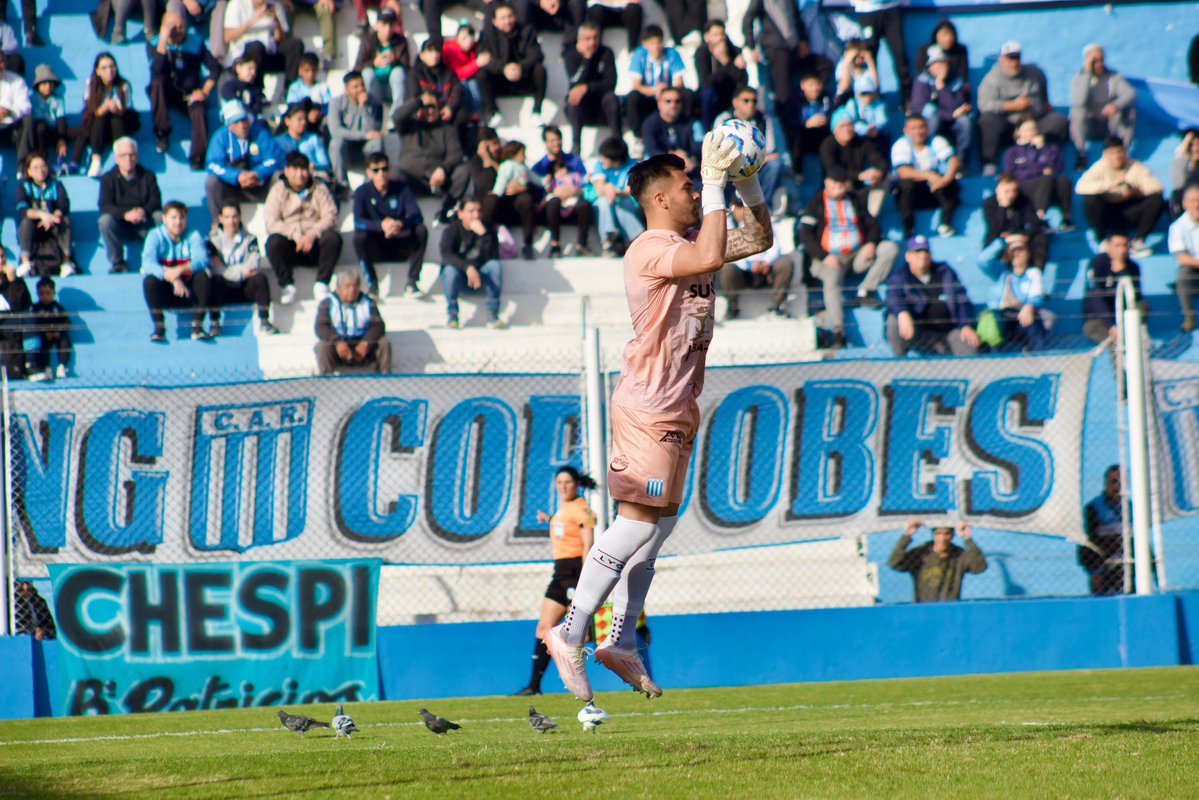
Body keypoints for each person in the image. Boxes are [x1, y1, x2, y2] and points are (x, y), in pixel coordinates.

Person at [542, 131, 774, 702]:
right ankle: (568, 633)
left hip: (679, 403)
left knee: (660, 527)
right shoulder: (650, 249)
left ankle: (619, 639)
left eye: (700, 184)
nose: (696, 191)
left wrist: (747, 183)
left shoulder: (696, 238)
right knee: (639, 523)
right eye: (688, 185)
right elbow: (710, 256)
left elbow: (760, 237)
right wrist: (721, 184)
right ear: (661, 200)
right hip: (647, 404)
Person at [514, 466, 598, 696]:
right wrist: (549, 519)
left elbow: (587, 545)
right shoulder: (565, 509)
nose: (563, 486)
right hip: (559, 574)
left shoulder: (584, 510)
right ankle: (534, 685)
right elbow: (565, 527)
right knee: (543, 628)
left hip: (574, 572)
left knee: (578, 633)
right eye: (559, 482)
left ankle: (580, 681)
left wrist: (585, 578)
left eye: (567, 482)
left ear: (576, 484)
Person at [799, 168, 898, 345]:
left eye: (842, 184)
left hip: (857, 255)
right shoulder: (816, 204)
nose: (839, 188)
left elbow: (873, 225)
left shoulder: (855, 200)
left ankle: (865, 290)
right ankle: (839, 331)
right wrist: (823, 256)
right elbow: (805, 235)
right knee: (832, 279)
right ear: (827, 184)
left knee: (889, 248)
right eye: (835, 184)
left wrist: (871, 243)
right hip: (829, 259)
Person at [977, 41, 1068, 177]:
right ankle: (990, 163)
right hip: (1010, 127)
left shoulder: (1035, 73)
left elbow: (1045, 99)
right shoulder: (992, 79)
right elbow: (984, 105)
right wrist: (1012, 105)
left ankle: (1048, 157)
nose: (1013, 63)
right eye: (1009, 59)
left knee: (1059, 121)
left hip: (1035, 124)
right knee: (988, 120)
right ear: (1002, 59)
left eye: (1016, 58)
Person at [265, 152, 342, 305]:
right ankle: (287, 285)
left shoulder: (319, 188)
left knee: (333, 239)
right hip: (291, 243)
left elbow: (331, 216)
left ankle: (322, 283)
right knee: (273, 242)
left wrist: (312, 234)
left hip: (314, 243)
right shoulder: (278, 190)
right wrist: (295, 235)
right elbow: (271, 222)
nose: (299, 174)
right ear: (286, 171)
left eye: (303, 169)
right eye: (295, 169)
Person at [885, 235, 979, 357]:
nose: (923, 255)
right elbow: (893, 297)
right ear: (908, 257)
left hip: (949, 332)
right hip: (920, 334)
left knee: (967, 342)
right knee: (894, 320)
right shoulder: (901, 276)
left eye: (926, 251)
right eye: (917, 251)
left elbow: (962, 300)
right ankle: (899, 364)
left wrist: (965, 324)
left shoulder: (945, 272)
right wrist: (902, 312)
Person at [149, 12, 220, 171]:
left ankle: (198, 156)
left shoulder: (195, 43)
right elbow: (157, 70)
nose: (179, 30)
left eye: (182, 26)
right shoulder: (155, 44)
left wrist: (205, 91)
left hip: (189, 94)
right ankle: (162, 132)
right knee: (157, 83)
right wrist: (164, 40)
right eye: (174, 27)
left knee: (199, 108)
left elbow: (215, 68)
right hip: (166, 93)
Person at [354, 152, 428, 295]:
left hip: (399, 241)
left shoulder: (402, 189)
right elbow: (358, 221)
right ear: (369, 173)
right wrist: (381, 225)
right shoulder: (362, 192)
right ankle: (372, 284)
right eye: (376, 170)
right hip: (377, 244)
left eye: (384, 169)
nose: (381, 174)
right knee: (359, 238)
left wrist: (400, 224)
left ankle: (412, 282)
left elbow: (416, 216)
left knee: (421, 230)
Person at [1075, 139, 1164, 256]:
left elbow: (1157, 187)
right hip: (1107, 212)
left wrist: (1136, 191)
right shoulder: (1099, 167)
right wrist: (1110, 186)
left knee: (1156, 200)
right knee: (1090, 200)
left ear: (1125, 152)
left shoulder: (1136, 166)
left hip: (1129, 210)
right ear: (1106, 155)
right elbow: (1080, 187)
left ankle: (1138, 242)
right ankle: (1102, 241)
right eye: (1112, 153)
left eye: (1119, 152)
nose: (1116, 156)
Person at [141, 201, 212, 343]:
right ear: (164, 219)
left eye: (182, 218)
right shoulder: (155, 236)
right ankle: (159, 329)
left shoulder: (193, 235)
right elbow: (147, 263)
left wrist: (180, 270)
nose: (178, 222)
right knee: (150, 281)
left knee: (203, 277)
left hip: (189, 290)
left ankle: (197, 327)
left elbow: (202, 259)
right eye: (173, 218)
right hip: (166, 289)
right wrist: (173, 278)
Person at [715, 85, 791, 214]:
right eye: (746, 100)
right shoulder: (725, 120)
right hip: (731, 165)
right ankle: (730, 205)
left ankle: (761, 207)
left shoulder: (764, 120)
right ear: (735, 102)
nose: (750, 104)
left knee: (775, 164)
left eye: (754, 101)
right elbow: (717, 149)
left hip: (757, 166)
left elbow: (769, 149)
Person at [206, 201, 277, 337]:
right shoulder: (212, 241)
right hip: (225, 287)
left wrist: (230, 270)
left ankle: (264, 321)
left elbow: (254, 262)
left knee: (260, 278)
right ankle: (215, 323)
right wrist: (240, 272)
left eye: (234, 217)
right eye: (227, 217)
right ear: (220, 218)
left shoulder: (250, 239)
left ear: (239, 217)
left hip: (245, 287)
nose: (231, 221)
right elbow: (216, 268)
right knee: (214, 280)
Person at [204, 99, 283, 219]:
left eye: (244, 120)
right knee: (212, 182)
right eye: (237, 122)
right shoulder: (220, 138)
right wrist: (237, 176)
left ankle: (281, 217)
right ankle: (218, 222)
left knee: (279, 177)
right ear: (229, 126)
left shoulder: (260, 133)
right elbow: (213, 165)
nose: (243, 125)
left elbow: (274, 159)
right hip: (233, 189)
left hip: (259, 184)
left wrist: (257, 174)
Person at [396, 89, 468, 217]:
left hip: (438, 181)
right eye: (426, 107)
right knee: (395, 175)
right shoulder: (408, 126)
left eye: (432, 107)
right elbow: (397, 116)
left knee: (463, 171)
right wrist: (419, 101)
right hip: (412, 179)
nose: (430, 111)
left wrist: (443, 169)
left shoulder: (447, 129)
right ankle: (402, 213)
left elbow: (456, 154)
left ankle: (447, 210)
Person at [98, 137, 163, 275]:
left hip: (144, 223)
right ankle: (118, 263)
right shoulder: (108, 178)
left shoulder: (148, 176)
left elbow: (156, 201)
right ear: (116, 158)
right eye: (124, 155)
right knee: (104, 221)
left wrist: (143, 211)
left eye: (132, 155)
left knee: (160, 216)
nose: (128, 158)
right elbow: (105, 205)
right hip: (120, 225)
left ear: (137, 156)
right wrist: (125, 214)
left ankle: (155, 260)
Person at [742, 0, 823, 109]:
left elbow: (796, 18)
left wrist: (802, 40)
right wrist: (751, 46)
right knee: (783, 91)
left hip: (794, 47)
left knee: (824, 65)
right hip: (776, 48)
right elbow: (747, 20)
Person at [439, 197, 505, 329]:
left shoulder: (487, 229)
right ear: (461, 213)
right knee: (449, 271)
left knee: (495, 266)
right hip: (460, 276)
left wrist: (484, 235)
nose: (476, 215)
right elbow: (446, 255)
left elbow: (493, 256)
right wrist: (467, 268)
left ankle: (493, 315)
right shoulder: (452, 230)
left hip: (480, 276)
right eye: (471, 211)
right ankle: (453, 316)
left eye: (478, 211)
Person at [73, 52, 140, 179]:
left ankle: (120, 158)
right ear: (97, 71)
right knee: (100, 119)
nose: (109, 71)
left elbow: (129, 110)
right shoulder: (91, 85)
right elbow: (90, 111)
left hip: (120, 125)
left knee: (116, 120)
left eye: (112, 66)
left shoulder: (123, 85)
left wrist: (119, 110)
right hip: (97, 128)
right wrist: (104, 108)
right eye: (104, 68)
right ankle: (96, 160)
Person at [891, 114, 960, 238]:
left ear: (927, 128)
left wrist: (946, 178)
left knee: (952, 183)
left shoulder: (937, 141)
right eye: (913, 128)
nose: (918, 132)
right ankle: (908, 226)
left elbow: (953, 160)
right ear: (906, 131)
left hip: (934, 190)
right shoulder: (901, 145)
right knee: (906, 184)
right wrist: (929, 175)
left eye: (921, 127)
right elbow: (903, 171)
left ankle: (945, 224)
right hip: (913, 194)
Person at [721, 201, 793, 319]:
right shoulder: (728, 223)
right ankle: (732, 307)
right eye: (739, 207)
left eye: (745, 207)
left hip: (765, 270)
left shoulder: (763, 220)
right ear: (733, 207)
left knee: (786, 264)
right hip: (742, 273)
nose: (743, 211)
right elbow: (728, 251)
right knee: (727, 269)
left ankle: (777, 306)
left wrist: (765, 262)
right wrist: (749, 265)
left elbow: (775, 247)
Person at [479, 2, 547, 126]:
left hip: (523, 78)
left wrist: (519, 67)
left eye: (510, 16)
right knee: (482, 74)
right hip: (500, 80)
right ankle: (493, 112)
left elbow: (537, 55)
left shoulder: (527, 31)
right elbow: (484, 60)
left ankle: (537, 112)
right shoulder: (487, 35)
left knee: (540, 70)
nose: (507, 21)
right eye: (502, 18)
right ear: (494, 21)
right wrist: (503, 69)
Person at [315, 264, 392, 374]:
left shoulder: (368, 302)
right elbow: (321, 327)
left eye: (355, 286)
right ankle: (326, 378)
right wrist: (337, 342)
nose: (352, 290)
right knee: (323, 347)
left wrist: (366, 342)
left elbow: (379, 325)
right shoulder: (327, 303)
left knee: (384, 343)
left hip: (363, 345)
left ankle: (386, 378)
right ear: (339, 288)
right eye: (348, 286)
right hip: (339, 345)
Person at [888, 519, 987, 603]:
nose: (942, 538)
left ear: (952, 535)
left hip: (950, 608)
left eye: (946, 534)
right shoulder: (921, 554)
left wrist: (968, 538)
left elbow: (980, 567)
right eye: (938, 533)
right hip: (923, 607)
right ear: (933, 535)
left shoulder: (959, 555)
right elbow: (894, 562)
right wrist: (907, 536)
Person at [1003, 116, 1075, 232]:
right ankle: (1039, 218)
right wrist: (1039, 171)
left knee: (1063, 181)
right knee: (1045, 179)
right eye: (1027, 130)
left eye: (1033, 129)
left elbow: (1056, 167)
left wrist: (1042, 149)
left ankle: (1066, 218)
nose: (1030, 133)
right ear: (1018, 132)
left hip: (1048, 185)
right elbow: (1012, 174)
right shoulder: (1012, 152)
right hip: (1025, 187)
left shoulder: (1050, 148)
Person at [1070, 44, 1136, 166]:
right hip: (1091, 124)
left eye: (1101, 60)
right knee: (1077, 111)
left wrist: (1115, 105)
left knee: (1128, 109)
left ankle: (1123, 149)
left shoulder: (1113, 77)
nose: (1099, 64)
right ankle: (1081, 153)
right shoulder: (1080, 77)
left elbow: (1130, 93)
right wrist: (1087, 73)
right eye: (1095, 61)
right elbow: (1079, 101)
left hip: (1110, 124)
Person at [979, 239, 1048, 351]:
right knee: (995, 324)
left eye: (1020, 249)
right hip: (1001, 314)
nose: (1016, 253)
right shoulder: (1002, 272)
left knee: (1033, 324)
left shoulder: (1033, 273)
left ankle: (1037, 360)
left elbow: (1037, 296)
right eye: (1012, 250)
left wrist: (1029, 306)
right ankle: (995, 362)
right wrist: (1002, 242)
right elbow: (982, 260)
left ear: (1028, 253)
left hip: (1022, 315)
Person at [563, 22, 620, 156]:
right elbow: (574, 84)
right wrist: (586, 60)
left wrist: (587, 87)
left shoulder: (606, 53)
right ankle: (576, 145)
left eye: (595, 38)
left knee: (611, 97)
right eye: (588, 39)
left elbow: (611, 83)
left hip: (602, 105)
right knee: (574, 100)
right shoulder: (571, 55)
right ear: (580, 39)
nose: (592, 42)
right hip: (582, 108)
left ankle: (618, 142)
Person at [910, 45, 972, 166]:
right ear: (930, 67)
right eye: (936, 64)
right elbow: (923, 109)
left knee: (965, 122)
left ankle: (960, 163)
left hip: (952, 121)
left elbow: (959, 105)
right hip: (931, 121)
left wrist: (943, 87)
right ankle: (932, 161)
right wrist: (951, 114)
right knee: (934, 120)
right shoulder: (921, 81)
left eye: (943, 63)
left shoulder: (955, 81)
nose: (940, 66)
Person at [222, 0, 305, 90]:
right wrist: (254, 19)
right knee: (257, 47)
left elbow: (282, 39)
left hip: (268, 52)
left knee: (296, 45)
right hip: (245, 55)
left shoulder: (274, 5)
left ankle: (290, 89)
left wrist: (276, 21)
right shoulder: (237, 4)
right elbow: (228, 36)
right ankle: (257, 91)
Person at [16, 153, 75, 278]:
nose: (41, 170)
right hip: (35, 225)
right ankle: (25, 262)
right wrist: (42, 215)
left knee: (65, 220)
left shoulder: (56, 185)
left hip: (53, 224)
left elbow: (64, 205)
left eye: (43, 166)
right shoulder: (24, 186)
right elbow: (22, 209)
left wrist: (52, 217)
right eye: (36, 168)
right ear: (29, 171)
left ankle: (66, 262)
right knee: (25, 222)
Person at [820, 108, 887, 217]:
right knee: (839, 183)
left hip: (861, 185)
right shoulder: (828, 145)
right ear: (835, 130)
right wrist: (859, 176)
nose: (847, 129)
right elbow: (832, 170)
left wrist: (878, 173)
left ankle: (870, 216)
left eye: (849, 125)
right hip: (840, 183)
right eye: (842, 126)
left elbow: (880, 160)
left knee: (884, 182)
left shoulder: (862, 142)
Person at [327, 71, 385, 197]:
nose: (360, 89)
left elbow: (373, 131)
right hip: (347, 149)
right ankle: (342, 186)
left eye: (362, 85)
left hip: (364, 150)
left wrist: (364, 108)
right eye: (355, 87)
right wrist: (363, 135)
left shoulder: (373, 102)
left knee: (376, 143)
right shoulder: (336, 103)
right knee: (336, 143)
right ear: (347, 89)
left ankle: (371, 186)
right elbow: (336, 131)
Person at [625, 25, 687, 140]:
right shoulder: (639, 55)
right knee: (633, 98)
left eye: (659, 42)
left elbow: (679, 84)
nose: (656, 47)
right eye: (652, 43)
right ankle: (639, 137)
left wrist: (665, 91)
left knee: (687, 95)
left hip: (667, 96)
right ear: (645, 44)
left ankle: (685, 132)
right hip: (648, 98)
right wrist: (655, 90)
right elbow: (636, 86)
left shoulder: (672, 53)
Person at [1082, 232, 1142, 345]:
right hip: (1098, 319)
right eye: (1117, 246)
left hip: (1124, 318)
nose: (1122, 250)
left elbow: (1135, 297)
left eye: (1125, 245)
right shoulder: (1097, 264)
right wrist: (1111, 326)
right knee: (1115, 342)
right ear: (1108, 246)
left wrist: (1122, 272)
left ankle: (1135, 338)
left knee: (1143, 306)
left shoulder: (1133, 267)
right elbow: (1096, 297)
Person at [980, 173, 1048, 269]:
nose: (1011, 194)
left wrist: (1022, 236)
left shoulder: (1024, 201)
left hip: (1021, 236)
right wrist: (1003, 207)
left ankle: (1036, 273)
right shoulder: (990, 204)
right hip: (1000, 239)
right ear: (998, 190)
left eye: (1014, 191)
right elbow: (995, 228)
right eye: (1007, 191)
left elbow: (1033, 223)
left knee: (1040, 239)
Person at [588, 136, 643, 256]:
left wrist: (617, 193)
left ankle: (635, 240)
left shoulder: (633, 165)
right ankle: (608, 241)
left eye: (605, 158)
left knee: (623, 203)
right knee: (603, 202)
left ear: (616, 160)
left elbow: (631, 191)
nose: (602, 159)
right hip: (608, 206)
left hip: (629, 205)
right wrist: (608, 189)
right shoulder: (600, 165)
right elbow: (599, 187)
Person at [849, 0, 911, 102]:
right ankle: (870, 96)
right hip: (867, 10)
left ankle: (908, 98)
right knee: (868, 56)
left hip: (892, 8)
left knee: (900, 55)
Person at [354, 8, 410, 120]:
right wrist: (374, 63)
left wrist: (395, 60)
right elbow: (357, 68)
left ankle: (396, 116)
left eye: (391, 25)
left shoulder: (400, 41)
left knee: (398, 72)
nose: (387, 29)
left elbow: (407, 68)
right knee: (367, 73)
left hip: (393, 88)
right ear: (377, 25)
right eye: (384, 24)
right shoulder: (368, 40)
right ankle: (373, 114)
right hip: (374, 89)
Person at [489, 140, 540, 259]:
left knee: (526, 200)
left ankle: (528, 243)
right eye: (522, 154)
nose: (524, 157)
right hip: (507, 203)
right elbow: (501, 182)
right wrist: (497, 192)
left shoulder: (523, 168)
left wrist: (544, 182)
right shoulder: (507, 166)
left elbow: (534, 179)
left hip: (522, 203)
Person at [1078, 465, 1124, 595]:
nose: (1118, 486)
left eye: (1121, 482)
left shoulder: (1130, 507)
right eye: (1114, 482)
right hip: (1103, 558)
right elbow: (1088, 538)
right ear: (1106, 484)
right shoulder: (1094, 508)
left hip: (1125, 557)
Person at [401, 38, 463, 129]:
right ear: (422, 55)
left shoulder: (448, 73)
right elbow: (413, 96)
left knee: (462, 115)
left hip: (446, 113)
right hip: (426, 114)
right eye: (430, 51)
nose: (434, 55)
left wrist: (450, 108)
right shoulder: (415, 74)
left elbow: (457, 92)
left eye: (437, 51)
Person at [695, 20, 747, 128]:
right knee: (708, 93)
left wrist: (725, 60)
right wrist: (725, 66)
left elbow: (742, 80)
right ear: (707, 37)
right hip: (712, 95)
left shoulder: (734, 51)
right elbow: (705, 81)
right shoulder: (702, 53)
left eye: (722, 34)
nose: (720, 38)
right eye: (715, 35)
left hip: (730, 92)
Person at [642, 87, 700, 174]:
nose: (673, 105)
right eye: (668, 101)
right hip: (662, 170)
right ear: (659, 104)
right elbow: (651, 150)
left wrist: (687, 156)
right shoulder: (649, 124)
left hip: (688, 167)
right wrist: (673, 156)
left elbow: (699, 147)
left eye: (677, 101)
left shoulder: (693, 123)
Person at [274, 99, 332, 185]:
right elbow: (276, 164)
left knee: (323, 176)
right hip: (288, 175)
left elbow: (325, 163)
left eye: (305, 119)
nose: (303, 122)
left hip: (311, 174)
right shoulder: (278, 142)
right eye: (299, 119)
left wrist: (314, 166)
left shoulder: (314, 138)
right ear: (287, 121)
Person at [27, 276, 71, 381]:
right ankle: (45, 368)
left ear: (53, 293)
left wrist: (58, 332)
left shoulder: (57, 307)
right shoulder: (35, 308)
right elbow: (34, 324)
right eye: (42, 294)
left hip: (57, 334)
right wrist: (45, 332)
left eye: (48, 293)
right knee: (40, 344)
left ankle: (62, 366)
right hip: (43, 335)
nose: (45, 297)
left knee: (65, 340)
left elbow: (66, 322)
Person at [1168, 184, 1199, 335]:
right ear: (1185, 204)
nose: (1197, 204)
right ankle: (1189, 318)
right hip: (1194, 270)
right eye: (1193, 200)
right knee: (1184, 273)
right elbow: (1182, 258)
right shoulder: (1178, 227)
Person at [28, 65, 69, 174]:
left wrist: (61, 139)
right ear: (38, 86)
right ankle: (44, 160)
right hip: (40, 132)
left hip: (55, 131)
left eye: (51, 83)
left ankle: (71, 163)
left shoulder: (58, 99)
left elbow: (61, 119)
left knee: (81, 131)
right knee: (41, 128)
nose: (48, 87)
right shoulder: (33, 99)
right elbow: (39, 119)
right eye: (44, 84)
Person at [442, 22, 487, 118]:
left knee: (473, 84)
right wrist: (477, 63)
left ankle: (477, 115)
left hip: (470, 78)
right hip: (454, 82)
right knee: (465, 85)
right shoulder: (450, 50)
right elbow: (458, 73)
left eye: (470, 37)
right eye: (464, 38)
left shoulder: (475, 48)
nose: (468, 41)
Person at [789, 73, 831, 172]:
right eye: (811, 85)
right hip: (803, 137)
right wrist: (806, 124)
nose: (815, 88)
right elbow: (792, 123)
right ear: (803, 85)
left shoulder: (826, 100)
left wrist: (826, 120)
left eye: (818, 84)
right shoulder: (796, 102)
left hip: (822, 135)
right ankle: (798, 171)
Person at [285, 52, 332, 128]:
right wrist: (307, 113)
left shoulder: (323, 87)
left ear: (317, 70)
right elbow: (292, 106)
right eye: (307, 70)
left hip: (318, 118)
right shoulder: (295, 87)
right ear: (300, 71)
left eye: (313, 70)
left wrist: (319, 113)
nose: (310, 74)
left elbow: (329, 106)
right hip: (301, 116)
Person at [0, 51, 29, 168]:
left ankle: (23, 167)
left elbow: (26, 107)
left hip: (11, 130)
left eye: (2, 62)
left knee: (28, 120)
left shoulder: (17, 80)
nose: (1, 66)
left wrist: (9, 112)